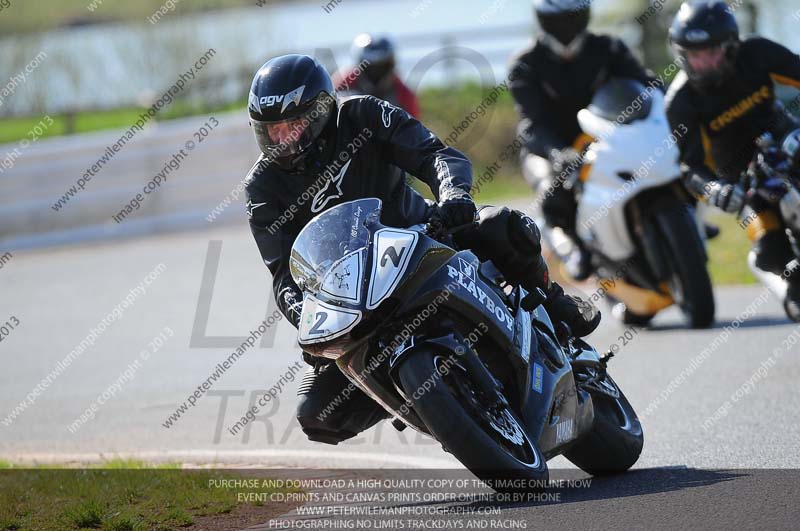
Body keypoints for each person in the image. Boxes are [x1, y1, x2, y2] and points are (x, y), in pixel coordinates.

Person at [244, 54, 600, 444]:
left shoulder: (364, 115)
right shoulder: (262, 187)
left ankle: (553, 301)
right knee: (317, 414)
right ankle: (424, 401)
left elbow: (433, 154)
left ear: (322, 112)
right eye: (272, 130)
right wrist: (307, 320)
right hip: (351, 296)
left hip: (423, 235)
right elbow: (284, 274)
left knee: (504, 226)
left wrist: (453, 193)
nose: (283, 139)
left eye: (293, 125)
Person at [665, 0, 800, 321]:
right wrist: (714, 189)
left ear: (730, 46)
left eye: (710, 52)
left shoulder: (758, 53)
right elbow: (690, 167)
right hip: (741, 182)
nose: (702, 63)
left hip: (785, 143)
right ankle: (787, 286)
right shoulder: (680, 102)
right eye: (694, 55)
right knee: (770, 250)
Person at [509, 0, 657, 281]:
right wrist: (558, 153)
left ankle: (685, 212)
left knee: (664, 159)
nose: (566, 25)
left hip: (608, 138)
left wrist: (665, 100)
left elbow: (643, 84)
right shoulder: (525, 63)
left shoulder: (610, 48)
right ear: (543, 19)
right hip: (550, 147)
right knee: (552, 188)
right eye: (559, 18)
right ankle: (571, 246)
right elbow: (533, 123)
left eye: (572, 16)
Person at [333, 33, 421, 118]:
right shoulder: (342, 83)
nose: (376, 72)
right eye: (370, 67)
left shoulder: (403, 94)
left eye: (382, 66)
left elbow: (413, 123)